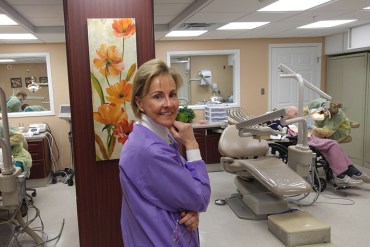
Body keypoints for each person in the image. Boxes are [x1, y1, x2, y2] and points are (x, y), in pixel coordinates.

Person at [118, 59, 211, 247]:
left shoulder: (153, 136)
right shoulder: (149, 150)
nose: (168, 104)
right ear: (140, 103)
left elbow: (179, 189)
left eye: (173, 94)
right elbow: (200, 196)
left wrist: (190, 208)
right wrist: (191, 143)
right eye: (158, 96)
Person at [284, 106, 370, 186]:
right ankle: (343, 175)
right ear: (287, 114)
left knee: (333, 147)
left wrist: (311, 129)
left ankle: (351, 172)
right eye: (294, 114)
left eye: (297, 114)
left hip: (311, 137)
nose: (297, 115)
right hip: (306, 140)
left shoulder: (296, 122)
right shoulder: (287, 124)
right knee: (333, 144)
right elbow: (291, 135)